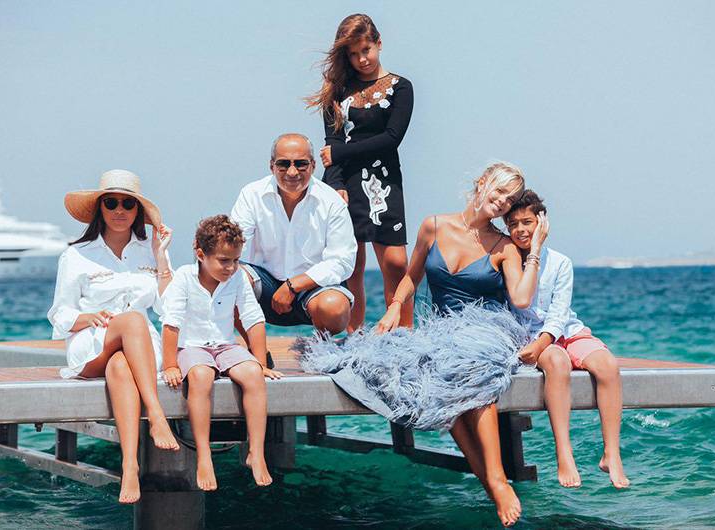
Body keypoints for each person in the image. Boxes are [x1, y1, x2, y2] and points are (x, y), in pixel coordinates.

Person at [303, 162, 548, 527]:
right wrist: (393, 309)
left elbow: (523, 299)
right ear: (482, 184)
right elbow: (410, 278)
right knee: (436, 380)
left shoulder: (505, 246)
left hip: (489, 330)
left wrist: (535, 248)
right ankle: (491, 484)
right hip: (444, 330)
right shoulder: (434, 225)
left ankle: (497, 478)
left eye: (510, 199)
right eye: (498, 191)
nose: (502, 202)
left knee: (471, 367)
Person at [48, 169, 179, 504]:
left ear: (137, 210)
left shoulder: (150, 250)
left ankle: (130, 465)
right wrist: (86, 317)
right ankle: (157, 416)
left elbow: (168, 309)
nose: (120, 210)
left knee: (121, 365)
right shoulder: (76, 254)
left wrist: (162, 257)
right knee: (132, 320)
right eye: (111, 203)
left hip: (140, 350)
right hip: (92, 343)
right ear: (100, 208)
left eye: (128, 203)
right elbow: (59, 315)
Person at [504, 190, 630, 489]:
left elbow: (560, 314)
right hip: (529, 336)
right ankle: (564, 453)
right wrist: (538, 345)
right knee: (558, 362)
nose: (520, 229)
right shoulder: (505, 260)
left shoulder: (561, 262)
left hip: (565, 331)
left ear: (542, 222)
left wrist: (545, 341)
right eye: (513, 224)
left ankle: (611, 454)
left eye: (527, 222)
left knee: (607, 365)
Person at [306, 13, 414, 332]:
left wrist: (339, 153)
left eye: (365, 50)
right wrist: (336, 183)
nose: (361, 59)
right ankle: (353, 338)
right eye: (353, 54)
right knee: (351, 266)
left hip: (384, 181)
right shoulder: (337, 91)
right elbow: (332, 141)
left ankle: (405, 335)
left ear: (379, 43)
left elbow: (391, 139)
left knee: (396, 262)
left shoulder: (400, 87)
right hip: (344, 184)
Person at [160, 215, 282, 491]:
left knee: (253, 374)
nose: (231, 267)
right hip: (192, 347)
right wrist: (170, 365)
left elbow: (252, 318)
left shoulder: (237, 277)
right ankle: (204, 455)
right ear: (201, 255)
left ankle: (256, 452)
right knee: (201, 376)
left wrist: (260, 362)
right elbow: (171, 323)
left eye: (236, 260)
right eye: (224, 261)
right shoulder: (184, 278)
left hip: (225, 346)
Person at [230, 133, 357, 334]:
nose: (292, 171)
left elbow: (342, 261)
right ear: (271, 166)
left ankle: (320, 349)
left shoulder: (332, 202)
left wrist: (293, 285)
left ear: (313, 165)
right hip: (264, 288)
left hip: (313, 289)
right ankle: (255, 349)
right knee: (227, 276)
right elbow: (232, 245)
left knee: (334, 306)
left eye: (301, 164)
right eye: (283, 164)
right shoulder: (251, 194)